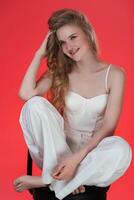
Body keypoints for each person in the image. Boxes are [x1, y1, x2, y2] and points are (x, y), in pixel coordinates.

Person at [13, 9, 132, 200]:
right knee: (34, 104)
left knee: (121, 149)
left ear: (88, 34)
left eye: (73, 37)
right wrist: (39, 53)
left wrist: (76, 160)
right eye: (62, 42)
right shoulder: (60, 72)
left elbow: (109, 126)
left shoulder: (115, 74)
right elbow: (25, 94)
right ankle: (64, 178)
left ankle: (50, 180)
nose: (69, 46)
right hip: (57, 154)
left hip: (92, 154)